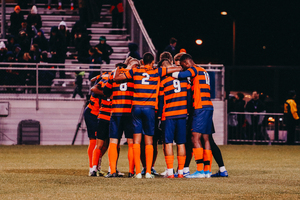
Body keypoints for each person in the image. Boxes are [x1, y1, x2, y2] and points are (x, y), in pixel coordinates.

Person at [113, 52, 182, 179]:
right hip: (150, 109)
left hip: (136, 108)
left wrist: (119, 68)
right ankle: (149, 172)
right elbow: (177, 68)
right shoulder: (157, 71)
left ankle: (138, 173)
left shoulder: (135, 72)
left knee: (137, 141)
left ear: (143, 62)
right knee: (149, 141)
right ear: (152, 61)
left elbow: (116, 78)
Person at [171, 54, 214, 178]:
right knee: (205, 138)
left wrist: (172, 71)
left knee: (195, 138)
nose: (183, 67)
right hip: (208, 106)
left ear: (187, 62)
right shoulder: (204, 71)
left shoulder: (194, 69)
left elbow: (179, 75)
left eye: (183, 65)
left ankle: (199, 171)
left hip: (200, 107)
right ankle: (207, 170)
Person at [103, 61, 139, 178]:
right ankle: (131, 172)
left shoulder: (114, 74)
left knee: (113, 142)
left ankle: (112, 171)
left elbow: (106, 91)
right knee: (131, 143)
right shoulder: (134, 75)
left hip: (116, 112)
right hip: (129, 113)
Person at [158, 56, 189, 178]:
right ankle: (180, 172)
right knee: (181, 143)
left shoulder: (164, 81)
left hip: (169, 115)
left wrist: (160, 117)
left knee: (168, 143)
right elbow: (188, 96)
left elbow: (161, 101)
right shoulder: (184, 79)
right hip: (182, 114)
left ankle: (170, 172)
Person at [89, 73, 112, 176]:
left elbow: (93, 82)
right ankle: (111, 169)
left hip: (102, 114)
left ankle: (94, 168)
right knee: (113, 143)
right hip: (111, 115)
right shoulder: (118, 80)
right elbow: (93, 87)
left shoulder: (105, 78)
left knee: (102, 144)